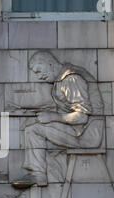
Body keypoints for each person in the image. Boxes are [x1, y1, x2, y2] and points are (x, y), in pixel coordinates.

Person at [11, 52, 104, 189]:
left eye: (39, 71)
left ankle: (38, 175)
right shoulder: (63, 77)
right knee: (37, 134)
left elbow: (82, 116)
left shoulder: (70, 79)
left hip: (86, 134)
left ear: (49, 64)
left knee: (33, 130)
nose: (39, 77)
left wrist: (53, 117)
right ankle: (51, 192)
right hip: (78, 130)